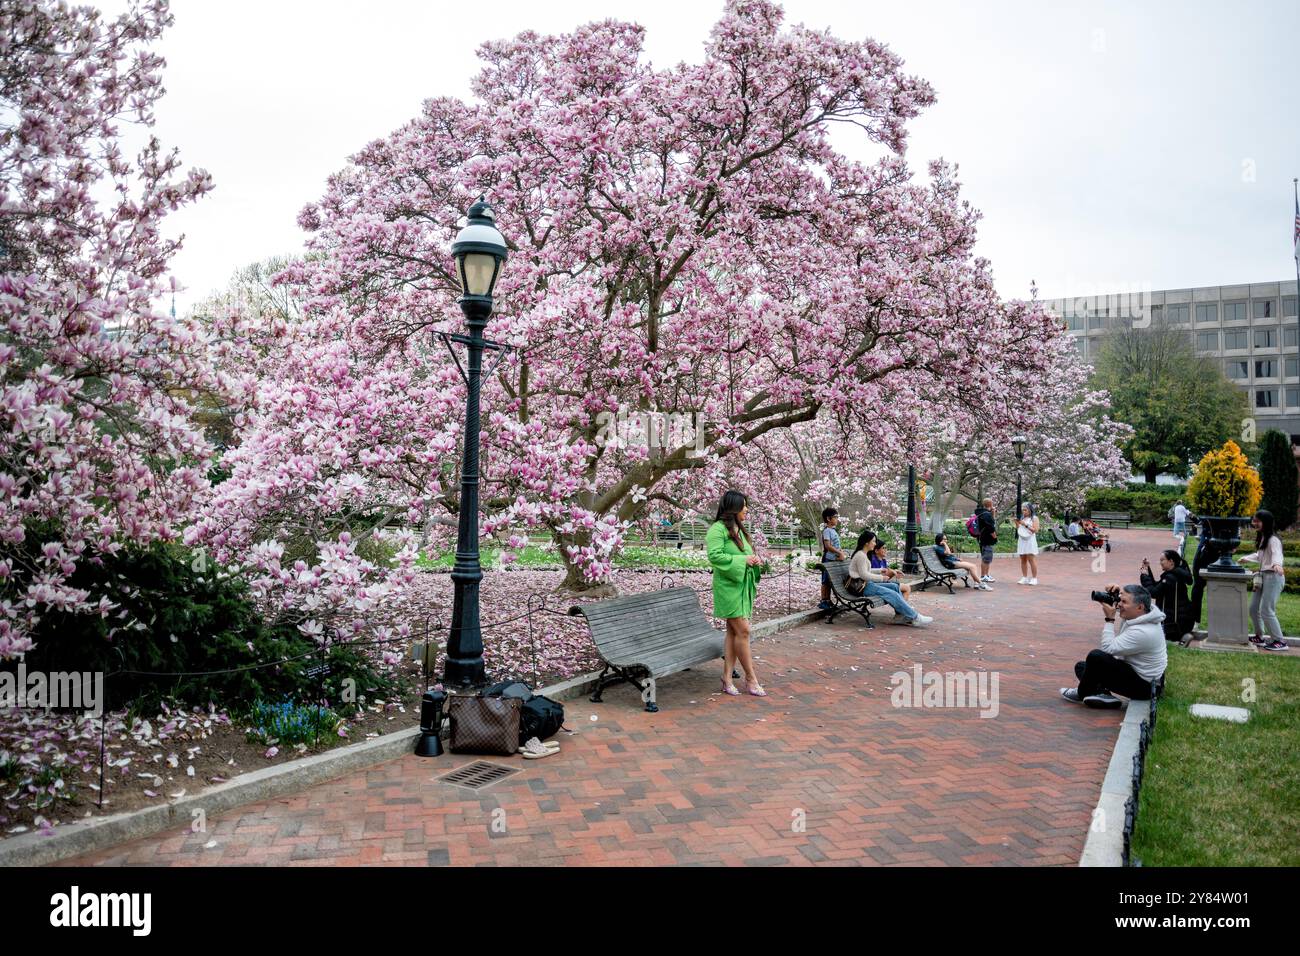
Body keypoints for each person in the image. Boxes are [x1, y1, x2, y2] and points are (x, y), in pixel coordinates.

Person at [1061, 584, 1167, 708]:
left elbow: (1109, 648)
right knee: (1082, 667)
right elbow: (1130, 603)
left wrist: (1109, 619)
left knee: (1095, 657)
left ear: (1140, 607)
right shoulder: (1145, 613)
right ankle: (1103, 695)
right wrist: (1116, 594)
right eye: (1120, 600)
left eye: (1123, 602)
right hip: (1139, 676)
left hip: (1146, 688)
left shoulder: (1143, 632)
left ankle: (1082, 693)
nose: (1119, 605)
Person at [706, 490, 767, 696]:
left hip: (741, 586)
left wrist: (753, 559)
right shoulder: (717, 529)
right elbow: (715, 556)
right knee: (744, 631)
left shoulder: (738, 529)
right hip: (728, 588)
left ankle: (727, 678)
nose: (747, 509)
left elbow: (743, 553)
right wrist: (743, 561)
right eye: (744, 505)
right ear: (734, 508)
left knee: (733, 632)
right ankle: (751, 679)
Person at [848, 530, 932, 626]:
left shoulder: (862, 554)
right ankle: (916, 617)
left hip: (866, 584)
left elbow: (865, 571)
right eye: (873, 541)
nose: (875, 544)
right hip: (862, 587)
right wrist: (881, 578)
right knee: (892, 594)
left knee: (894, 587)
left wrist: (880, 570)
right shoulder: (861, 556)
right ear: (867, 543)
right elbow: (864, 575)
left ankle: (901, 615)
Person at [1238, 509, 1288, 651]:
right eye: (1254, 520)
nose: (1255, 523)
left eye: (1258, 521)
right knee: (1254, 608)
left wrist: (1277, 564)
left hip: (1273, 576)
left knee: (1266, 610)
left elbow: (1276, 555)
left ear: (1266, 522)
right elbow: (1260, 556)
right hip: (1262, 577)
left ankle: (1280, 641)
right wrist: (1246, 558)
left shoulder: (1273, 540)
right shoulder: (1263, 538)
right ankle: (1259, 637)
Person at [1139, 550, 1194, 642]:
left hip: (1173, 626)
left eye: (1162, 560)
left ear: (1171, 561)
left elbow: (1154, 592)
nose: (1160, 563)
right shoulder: (1176, 574)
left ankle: (1181, 640)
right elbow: (1157, 586)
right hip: (1179, 622)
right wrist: (1148, 569)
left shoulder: (1170, 578)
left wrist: (1144, 576)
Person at [818, 507, 846, 611]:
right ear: (828, 519)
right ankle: (824, 600)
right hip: (828, 559)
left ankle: (828, 600)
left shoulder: (833, 531)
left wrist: (840, 552)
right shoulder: (827, 531)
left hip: (834, 559)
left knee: (830, 581)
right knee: (825, 580)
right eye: (835, 517)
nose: (837, 519)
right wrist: (839, 552)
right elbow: (828, 546)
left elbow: (836, 545)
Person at [1014, 502, 1040, 585]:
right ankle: (1024, 577)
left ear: (1030, 510)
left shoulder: (1034, 518)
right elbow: (1019, 529)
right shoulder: (1022, 518)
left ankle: (1034, 578)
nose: (1023, 512)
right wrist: (1017, 523)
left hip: (1030, 540)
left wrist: (1025, 524)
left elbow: (1035, 530)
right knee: (1023, 559)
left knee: (1031, 559)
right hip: (1022, 540)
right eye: (1022, 510)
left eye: (1025, 510)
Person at [975, 498, 998, 583]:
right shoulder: (986, 515)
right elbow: (991, 527)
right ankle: (983, 576)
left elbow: (991, 522)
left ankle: (986, 575)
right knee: (986, 558)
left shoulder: (982, 513)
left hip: (982, 538)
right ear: (990, 504)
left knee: (986, 558)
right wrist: (995, 537)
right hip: (987, 539)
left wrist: (993, 513)